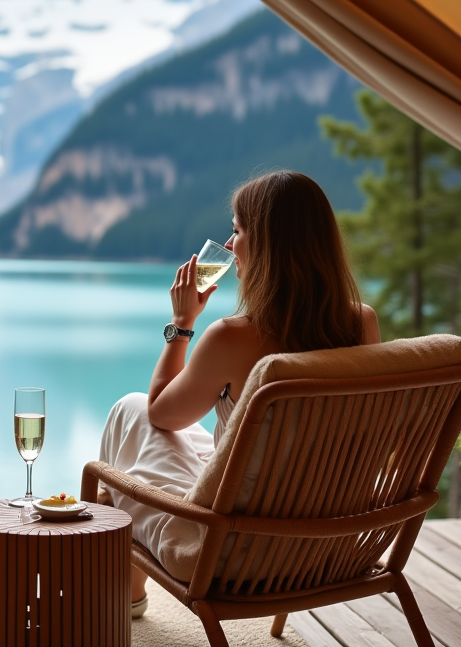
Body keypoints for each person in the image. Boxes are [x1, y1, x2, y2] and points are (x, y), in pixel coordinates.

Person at [97, 170, 380, 618]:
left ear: (267, 244)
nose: (229, 246)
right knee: (190, 439)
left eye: (236, 230)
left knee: (130, 412)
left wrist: (182, 324)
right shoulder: (361, 323)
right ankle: (129, 592)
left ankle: (128, 593)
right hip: (327, 545)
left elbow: (162, 413)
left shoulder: (231, 338)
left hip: (232, 553)